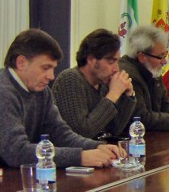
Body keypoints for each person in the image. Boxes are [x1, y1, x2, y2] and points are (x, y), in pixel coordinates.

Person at [0, 29, 119, 168]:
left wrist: (96, 146)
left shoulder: (42, 92)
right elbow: (17, 152)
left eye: (53, 68)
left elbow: (60, 134)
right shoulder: (4, 92)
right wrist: (79, 157)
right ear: (21, 62)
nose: (51, 76)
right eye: (45, 68)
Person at [52, 29, 136, 139]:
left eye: (117, 62)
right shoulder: (70, 79)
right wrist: (112, 96)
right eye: (111, 62)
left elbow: (113, 130)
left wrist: (128, 96)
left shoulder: (103, 82)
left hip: (99, 151)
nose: (116, 69)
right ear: (91, 59)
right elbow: (81, 133)